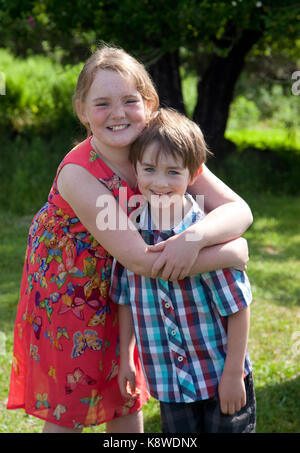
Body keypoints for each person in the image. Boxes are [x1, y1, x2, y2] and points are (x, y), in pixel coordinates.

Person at [7, 44, 252, 434]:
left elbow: (239, 210)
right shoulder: (78, 172)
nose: (118, 113)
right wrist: (231, 252)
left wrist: (196, 237)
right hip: (73, 291)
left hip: (133, 291)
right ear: (83, 112)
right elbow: (140, 260)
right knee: (72, 402)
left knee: (124, 392)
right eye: (102, 103)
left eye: (129, 101)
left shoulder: (160, 152)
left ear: (149, 103)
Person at [110, 108, 256, 433]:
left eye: (173, 172)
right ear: (134, 170)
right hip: (169, 382)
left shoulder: (205, 236)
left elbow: (238, 307)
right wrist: (125, 357)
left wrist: (234, 374)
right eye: (149, 169)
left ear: (193, 175)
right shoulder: (129, 236)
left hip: (220, 376)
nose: (159, 182)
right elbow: (125, 300)